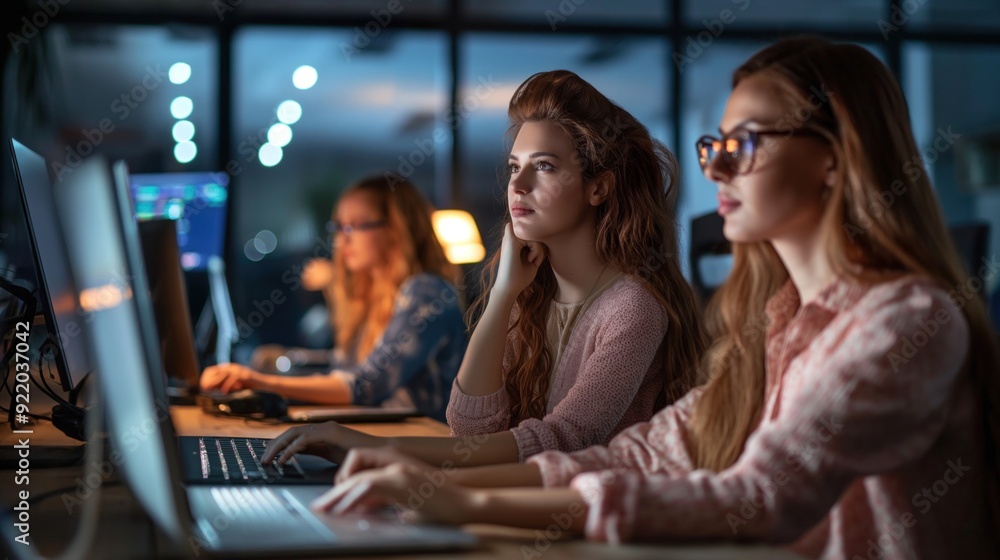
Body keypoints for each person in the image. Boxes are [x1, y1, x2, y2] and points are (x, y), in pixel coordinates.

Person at [295, 38, 1000, 559]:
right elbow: (645, 455)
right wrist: (422, 473)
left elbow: (760, 498)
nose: (718, 163)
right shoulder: (781, 324)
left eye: (747, 142)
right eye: (715, 142)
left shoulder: (910, 323)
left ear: (833, 159)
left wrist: (467, 498)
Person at [261, 69, 709, 466]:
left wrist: (376, 448)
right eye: (514, 167)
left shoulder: (632, 308)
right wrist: (502, 296)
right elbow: (470, 430)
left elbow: (564, 442)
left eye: (545, 167)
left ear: (598, 188)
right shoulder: (531, 294)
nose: (519, 184)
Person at [199, 175, 468, 422]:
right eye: (339, 227)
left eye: (355, 226)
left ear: (396, 229)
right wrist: (286, 360)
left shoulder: (427, 292)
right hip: (386, 437)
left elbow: (365, 384)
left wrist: (258, 382)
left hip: (423, 444)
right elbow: (344, 366)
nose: (341, 240)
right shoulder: (374, 295)